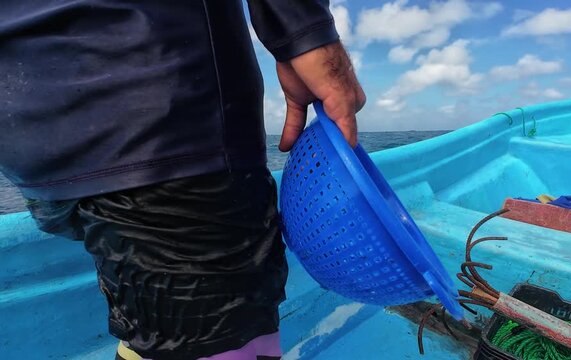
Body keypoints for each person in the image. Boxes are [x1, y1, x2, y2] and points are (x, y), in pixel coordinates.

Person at [0, 1, 365, 359]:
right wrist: (306, 34)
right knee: (221, 342)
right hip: (165, 124)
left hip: (26, 142)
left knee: (152, 327)